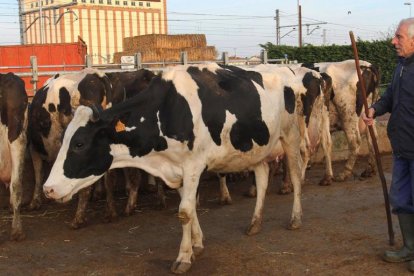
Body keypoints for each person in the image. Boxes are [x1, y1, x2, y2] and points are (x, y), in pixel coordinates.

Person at [362, 17, 414, 272]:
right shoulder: (401, 66)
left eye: (399, 37)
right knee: (402, 198)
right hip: (403, 148)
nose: (393, 41)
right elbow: (391, 95)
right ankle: (409, 248)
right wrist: (374, 108)